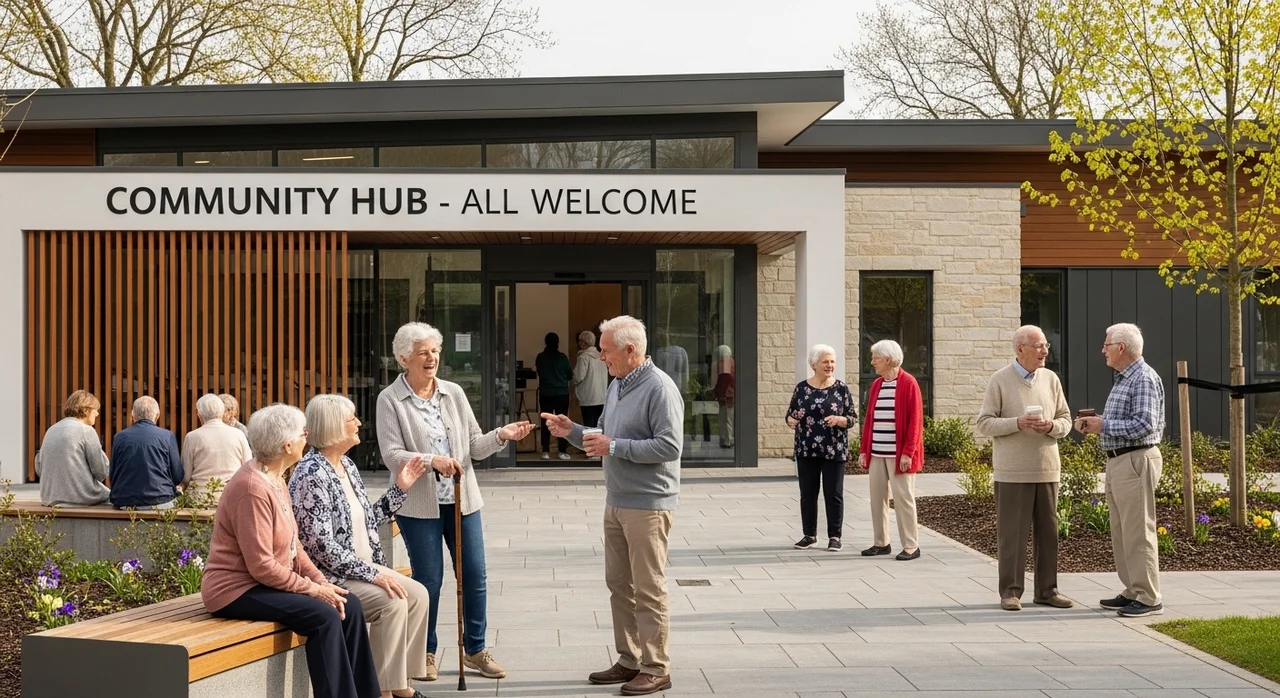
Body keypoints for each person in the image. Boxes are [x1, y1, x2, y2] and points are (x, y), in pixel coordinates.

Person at [376, 321, 534, 682]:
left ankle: (475, 648)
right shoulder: (390, 399)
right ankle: (425, 652)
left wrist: (501, 435)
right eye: (423, 353)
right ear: (404, 358)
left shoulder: (453, 393)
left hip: (463, 501)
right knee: (429, 580)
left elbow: (473, 446)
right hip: (418, 505)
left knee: (474, 575)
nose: (431, 358)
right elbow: (391, 454)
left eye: (434, 351)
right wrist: (432, 460)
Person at [543, 315, 683, 696]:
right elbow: (601, 436)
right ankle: (629, 659)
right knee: (620, 585)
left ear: (630, 350)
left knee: (648, 587)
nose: (600, 357)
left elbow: (670, 447)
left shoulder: (660, 388)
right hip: (617, 500)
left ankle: (656, 667)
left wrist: (615, 447)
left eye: (605, 351)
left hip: (648, 504)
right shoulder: (618, 384)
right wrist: (569, 429)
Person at [201, 404, 382, 698]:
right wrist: (313, 590)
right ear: (287, 445)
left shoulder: (276, 477)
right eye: (302, 433)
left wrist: (322, 583)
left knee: (350, 605)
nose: (306, 437)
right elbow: (261, 566)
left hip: (263, 583)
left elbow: (295, 546)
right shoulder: (252, 488)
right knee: (324, 616)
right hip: (236, 590)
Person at [291, 394, 433, 698]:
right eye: (351, 418)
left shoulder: (347, 466)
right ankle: (380, 690)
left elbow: (368, 519)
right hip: (332, 576)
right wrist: (373, 575)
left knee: (418, 594)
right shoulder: (311, 474)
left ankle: (399, 685)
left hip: (361, 567)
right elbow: (321, 546)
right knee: (392, 602)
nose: (358, 423)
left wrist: (400, 489)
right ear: (332, 428)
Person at [976, 326, 1074, 611]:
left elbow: (1065, 419)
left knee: (1048, 533)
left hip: (1046, 469)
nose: (1046, 351)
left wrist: (1052, 426)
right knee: (1012, 535)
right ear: (1020, 349)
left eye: (1045, 346)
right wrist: (1016, 423)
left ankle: (1047, 590)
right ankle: (1010, 592)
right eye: (1039, 346)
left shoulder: (1051, 379)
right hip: (1011, 472)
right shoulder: (999, 380)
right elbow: (984, 423)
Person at [1075, 322, 1166, 618]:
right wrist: (1097, 422)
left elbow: (1145, 425)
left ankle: (1150, 597)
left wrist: (1104, 425)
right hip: (1119, 460)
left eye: (1106, 345)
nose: (1103, 350)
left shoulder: (1142, 378)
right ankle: (1133, 590)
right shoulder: (1124, 378)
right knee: (1122, 530)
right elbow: (1128, 421)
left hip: (1136, 460)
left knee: (1138, 530)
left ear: (1121, 348)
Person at [858, 339, 924, 561]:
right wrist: (864, 450)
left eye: (876, 358)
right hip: (877, 451)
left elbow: (916, 421)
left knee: (903, 499)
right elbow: (870, 420)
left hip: (899, 455)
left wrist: (908, 452)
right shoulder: (877, 385)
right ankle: (881, 542)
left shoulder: (908, 383)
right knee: (877, 499)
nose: (873, 362)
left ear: (888, 359)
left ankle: (911, 546)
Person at [785, 344, 856, 552]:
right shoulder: (801, 388)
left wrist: (841, 420)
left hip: (834, 449)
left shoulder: (841, 389)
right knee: (808, 494)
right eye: (826, 362)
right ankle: (809, 535)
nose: (830, 365)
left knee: (833, 494)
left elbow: (852, 418)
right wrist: (791, 420)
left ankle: (835, 536)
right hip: (806, 449)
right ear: (813, 364)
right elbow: (790, 416)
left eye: (832, 361)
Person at [36, 390, 111, 507]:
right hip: (80, 497)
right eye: (95, 409)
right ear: (85, 410)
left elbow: (39, 466)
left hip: (50, 498)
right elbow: (101, 471)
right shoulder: (86, 430)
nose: (97, 414)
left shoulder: (51, 430)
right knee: (114, 496)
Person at [109, 396, 184, 510]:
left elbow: (113, 474)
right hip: (161, 499)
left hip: (124, 501)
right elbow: (177, 476)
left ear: (133, 415)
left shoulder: (119, 437)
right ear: (157, 415)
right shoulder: (167, 436)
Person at [182, 392, 253, 500]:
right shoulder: (239, 434)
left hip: (199, 499)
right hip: (232, 497)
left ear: (199, 416)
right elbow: (248, 468)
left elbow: (185, 477)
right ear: (222, 412)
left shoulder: (191, 437)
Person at [536, 332, 574, 460]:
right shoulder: (562, 358)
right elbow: (570, 375)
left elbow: (539, 372)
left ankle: (545, 450)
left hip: (546, 393)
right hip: (562, 393)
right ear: (557, 343)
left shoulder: (540, 357)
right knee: (562, 422)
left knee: (545, 421)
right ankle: (562, 450)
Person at [574, 330, 608, 435]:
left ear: (584, 342)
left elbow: (578, 377)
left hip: (587, 397)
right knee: (599, 425)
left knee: (588, 425)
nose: (579, 344)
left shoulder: (583, 357)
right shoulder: (601, 357)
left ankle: (591, 449)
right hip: (601, 396)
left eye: (580, 341)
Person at [714, 345, 736, 449]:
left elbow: (724, 379)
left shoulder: (725, 363)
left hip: (725, 394)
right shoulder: (730, 362)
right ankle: (727, 439)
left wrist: (718, 392)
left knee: (725, 418)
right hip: (728, 394)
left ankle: (726, 439)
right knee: (727, 418)